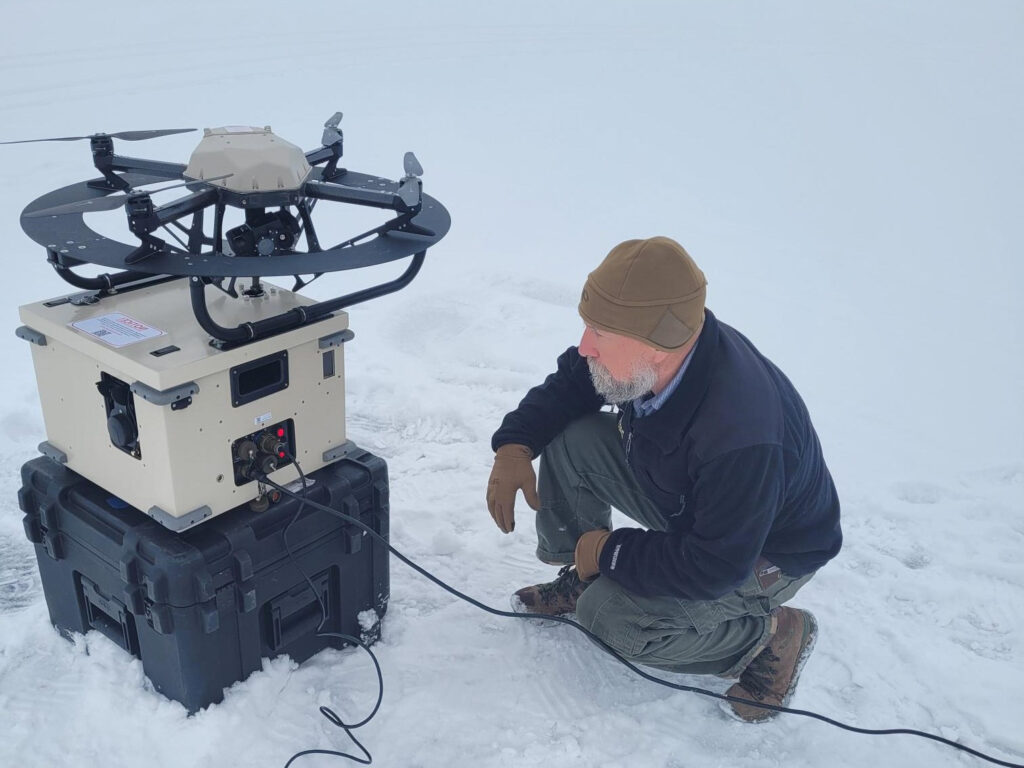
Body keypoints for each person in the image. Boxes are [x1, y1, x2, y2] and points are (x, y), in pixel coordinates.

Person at [486, 236, 841, 722]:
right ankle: (583, 575)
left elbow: (715, 564)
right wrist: (515, 444)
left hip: (763, 551)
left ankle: (769, 638)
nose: (585, 344)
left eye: (600, 333)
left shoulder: (742, 432)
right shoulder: (654, 354)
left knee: (611, 621)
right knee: (570, 435)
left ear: (656, 345)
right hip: (693, 501)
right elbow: (574, 380)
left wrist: (612, 553)